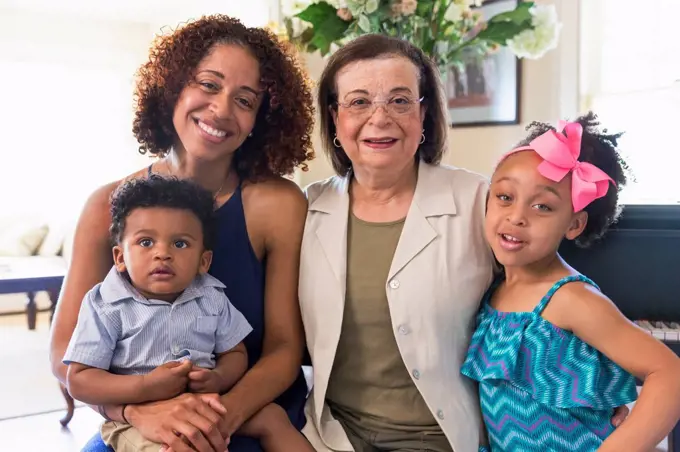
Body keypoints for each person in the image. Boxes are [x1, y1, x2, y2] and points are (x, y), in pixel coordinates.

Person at [297, 34, 630, 452]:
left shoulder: (480, 201)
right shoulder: (306, 209)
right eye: (358, 101)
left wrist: (600, 393)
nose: (379, 118)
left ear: (424, 116)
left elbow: (551, 293)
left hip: (441, 438)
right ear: (334, 118)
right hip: (329, 435)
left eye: (400, 101)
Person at [49, 15, 315, 452]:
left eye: (245, 100)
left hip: (249, 410)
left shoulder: (278, 205)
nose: (222, 109)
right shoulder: (105, 205)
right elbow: (66, 352)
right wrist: (137, 411)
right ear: (172, 87)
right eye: (208, 85)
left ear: (260, 121)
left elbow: (285, 349)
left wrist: (212, 420)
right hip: (142, 418)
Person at [461, 113, 680, 451]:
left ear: (574, 225)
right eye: (505, 197)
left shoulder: (570, 299)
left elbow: (670, 373)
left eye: (542, 207)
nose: (517, 216)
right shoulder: (496, 285)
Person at [62, 175, 314, 452]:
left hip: (208, 404)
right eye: (146, 242)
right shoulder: (105, 305)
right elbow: (79, 379)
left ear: (204, 261)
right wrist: (145, 387)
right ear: (120, 257)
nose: (163, 254)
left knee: (273, 418)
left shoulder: (211, 296)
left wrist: (219, 377)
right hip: (139, 418)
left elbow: (235, 353)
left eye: (180, 244)